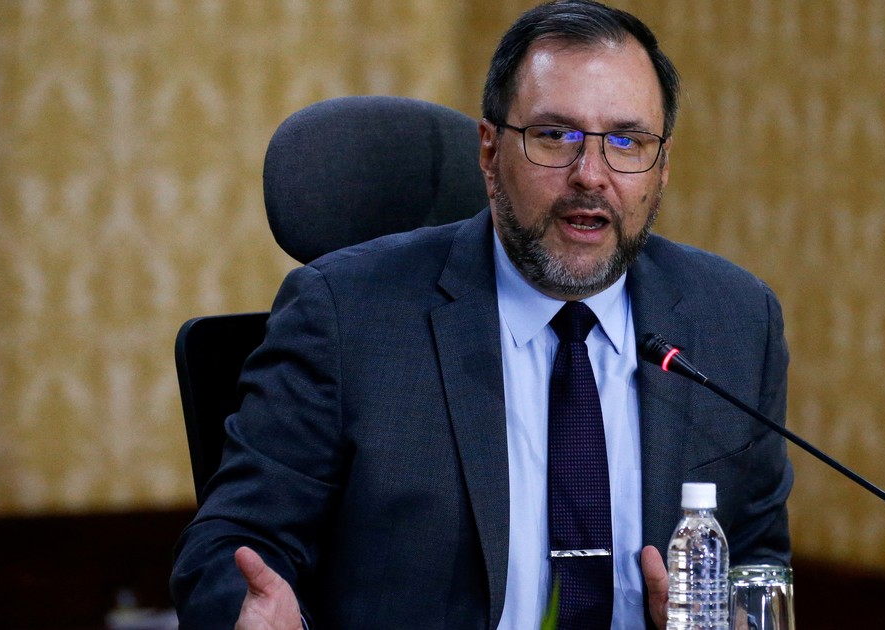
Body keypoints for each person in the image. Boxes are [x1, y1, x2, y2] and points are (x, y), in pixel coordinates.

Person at [170, 1, 793, 628]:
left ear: (662, 168)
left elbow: (756, 556)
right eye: (555, 136)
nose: (591, 175)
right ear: (490, 152)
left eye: (627, 142)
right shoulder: (344, 317)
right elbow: (230, 548)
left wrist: (722, 615)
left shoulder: (736, 321)